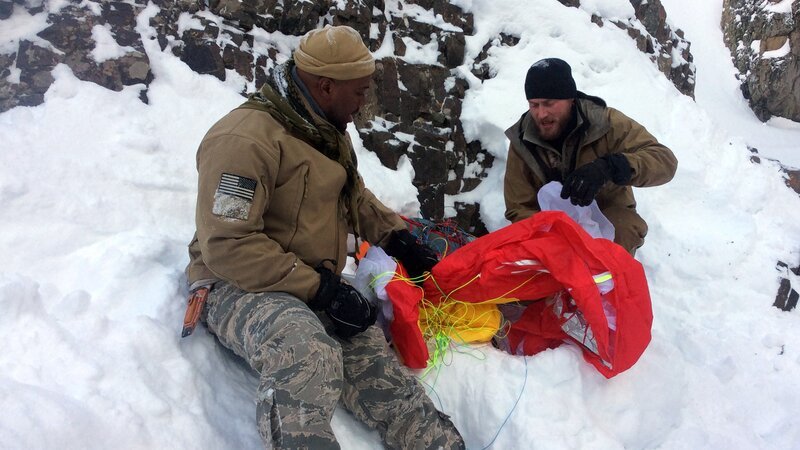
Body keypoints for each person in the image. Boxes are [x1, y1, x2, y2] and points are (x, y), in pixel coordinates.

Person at [184, 25, 464, 449]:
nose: (364, 102)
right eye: (360, 91)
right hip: (236, 282)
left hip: (308, 278)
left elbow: (352, 194)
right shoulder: (244, 140)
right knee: (306, 349)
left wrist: (398, 239)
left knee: (377, 366)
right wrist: (321, 289)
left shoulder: (322, 128)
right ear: (326, 86)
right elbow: (228, 244)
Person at [504, 58, 678, 255]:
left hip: (607, 215)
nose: (541, 114)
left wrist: (610, 167)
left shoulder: (605, 122)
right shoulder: (522, 140)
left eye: (549, 103)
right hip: (549, 229)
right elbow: (519, 207)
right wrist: (553, 236)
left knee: (624, 229)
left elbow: (664, 160)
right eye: (534, 105)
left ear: (570, 99)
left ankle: (610, 273)